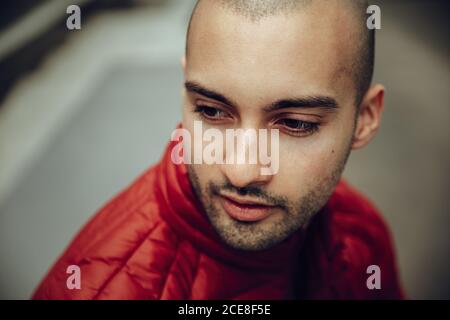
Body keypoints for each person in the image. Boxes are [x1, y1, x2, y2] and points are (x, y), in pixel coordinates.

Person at [33, 0, 404, 299]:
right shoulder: (99, 288)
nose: (240, 171)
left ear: (365, 119)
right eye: (211, 111)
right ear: (185, 92)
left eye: (295, 123)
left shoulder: (361, 234)